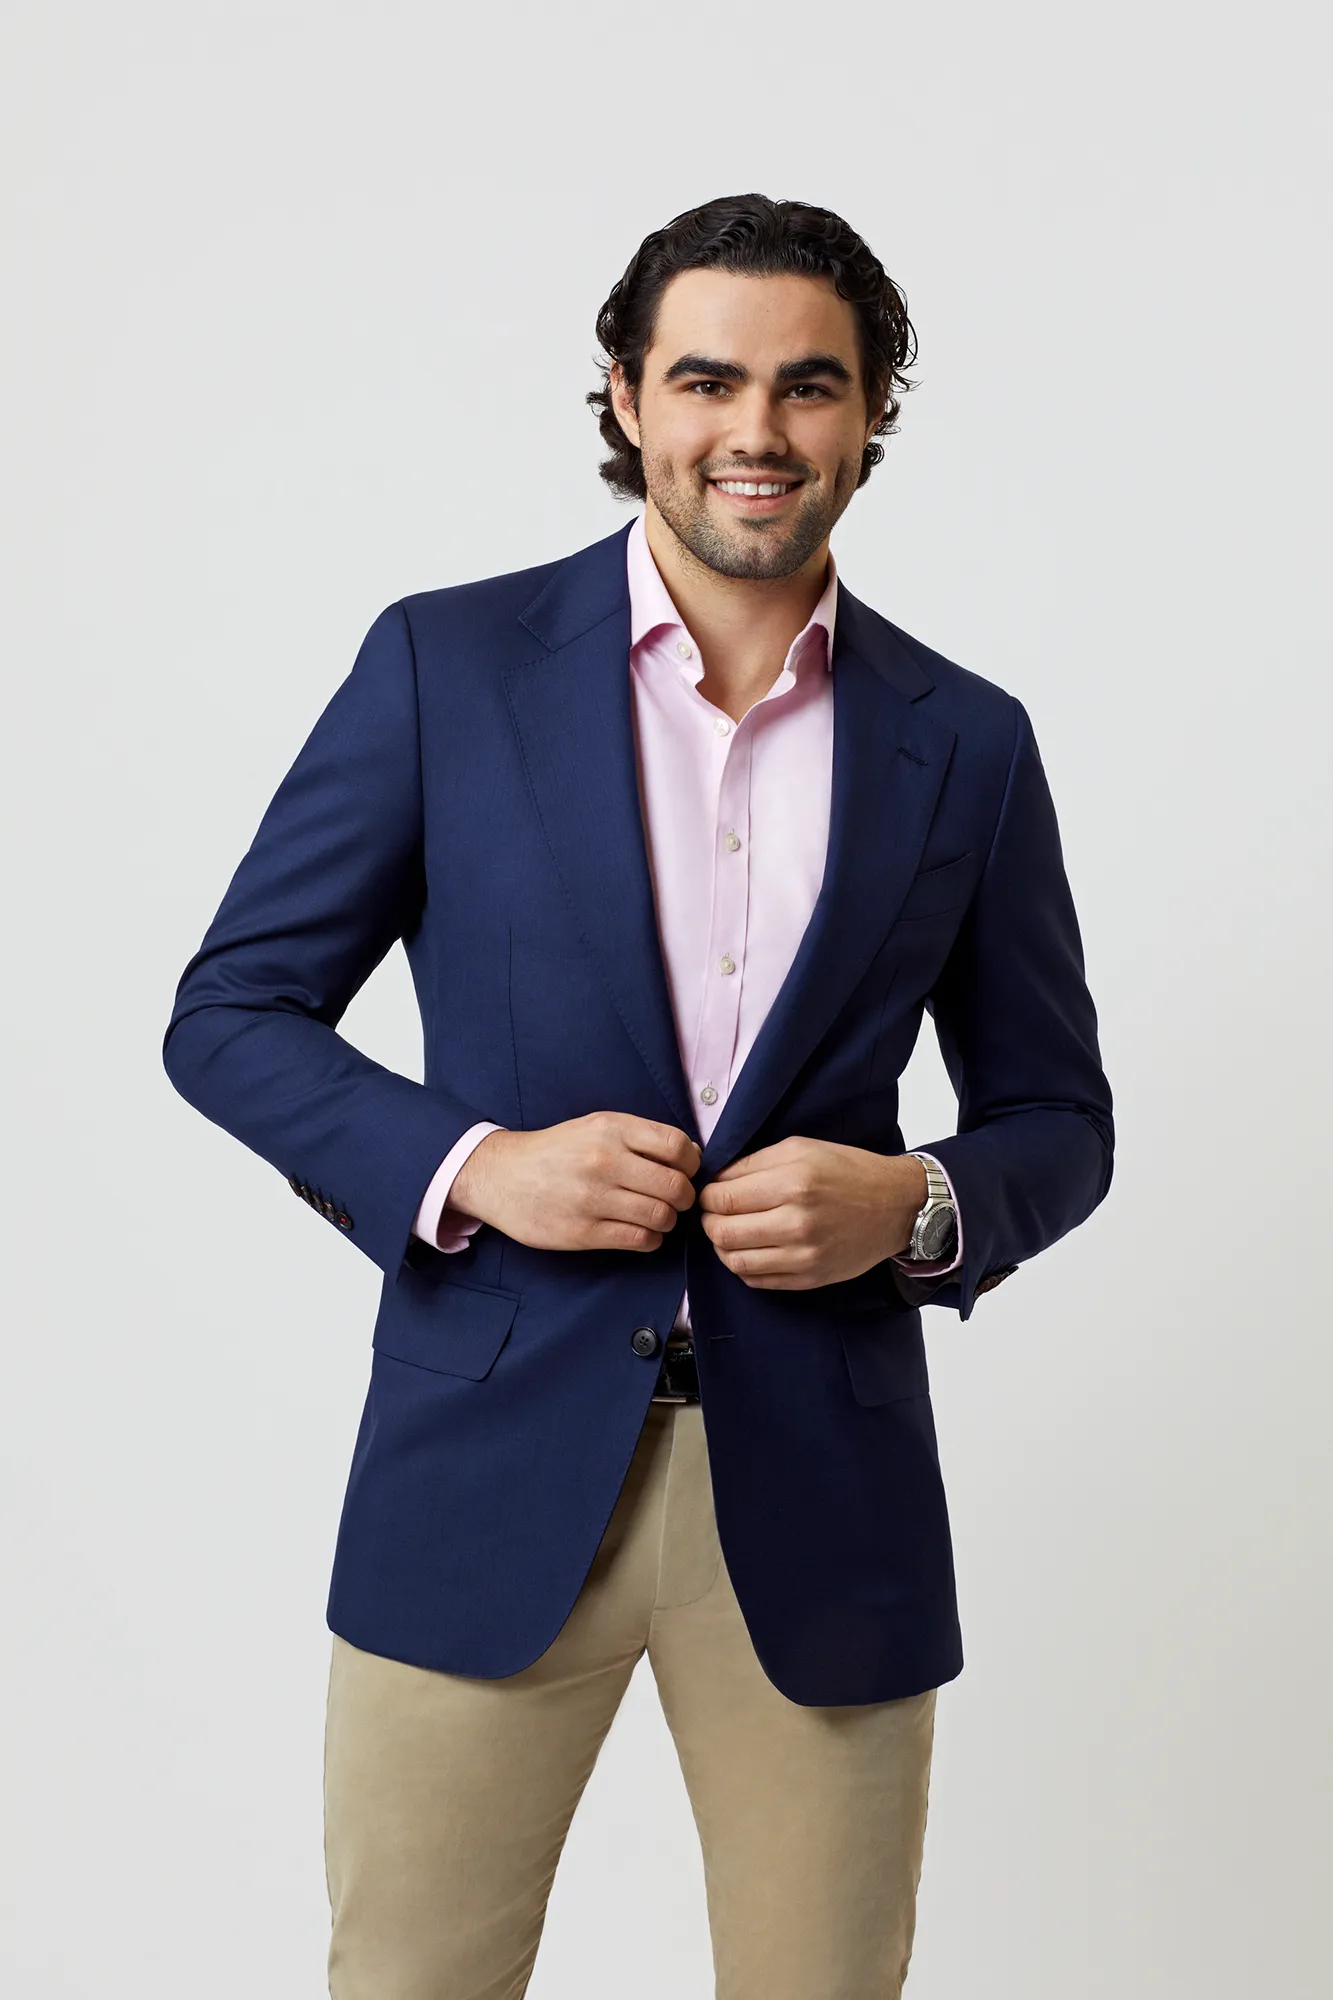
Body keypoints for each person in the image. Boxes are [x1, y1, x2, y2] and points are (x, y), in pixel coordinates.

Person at [164, 191, 1114, 1999]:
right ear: (626, 396)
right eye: (706, 380)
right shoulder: (447, 669)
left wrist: (911, 1203)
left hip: (823, 1491)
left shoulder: (967, 740)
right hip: (485, 1467)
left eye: (809, 385)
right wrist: (475, 1164)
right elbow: (233, 1013)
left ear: (870, 412)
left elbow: (1061, 1120)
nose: (757, 431)